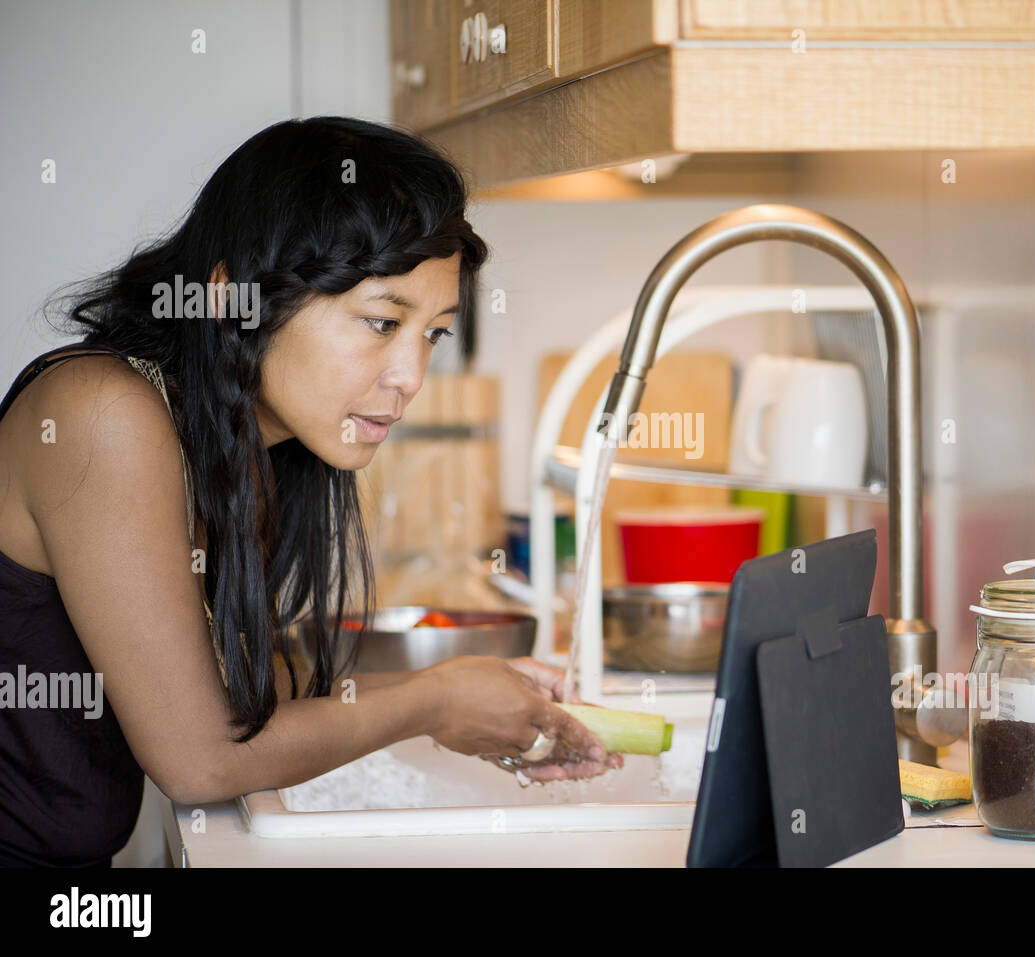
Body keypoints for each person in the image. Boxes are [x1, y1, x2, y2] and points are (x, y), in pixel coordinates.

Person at [0, 116, 619, 868]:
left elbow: (220, 681)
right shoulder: (103, 414)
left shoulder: (243, 447)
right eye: (382, 321)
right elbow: (201, 756)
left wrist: (450, 689)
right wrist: (435, 701)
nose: (410, 378)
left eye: (433, 334)